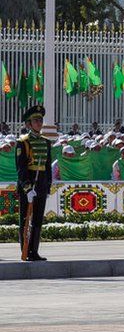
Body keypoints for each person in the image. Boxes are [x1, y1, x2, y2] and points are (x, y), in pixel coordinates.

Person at [16, 105, 52, 261]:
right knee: (26, 219)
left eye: (40, 120)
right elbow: (21, 167)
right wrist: (27, 188)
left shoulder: (46, 142)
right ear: (29, 124)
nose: (39, 123)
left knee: (37, 219)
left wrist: (47, 187)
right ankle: (25, 250)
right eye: (35, 121)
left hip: (41, 183)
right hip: (29, 183)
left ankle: (34, 251)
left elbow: (47, 166)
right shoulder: (23, 142)